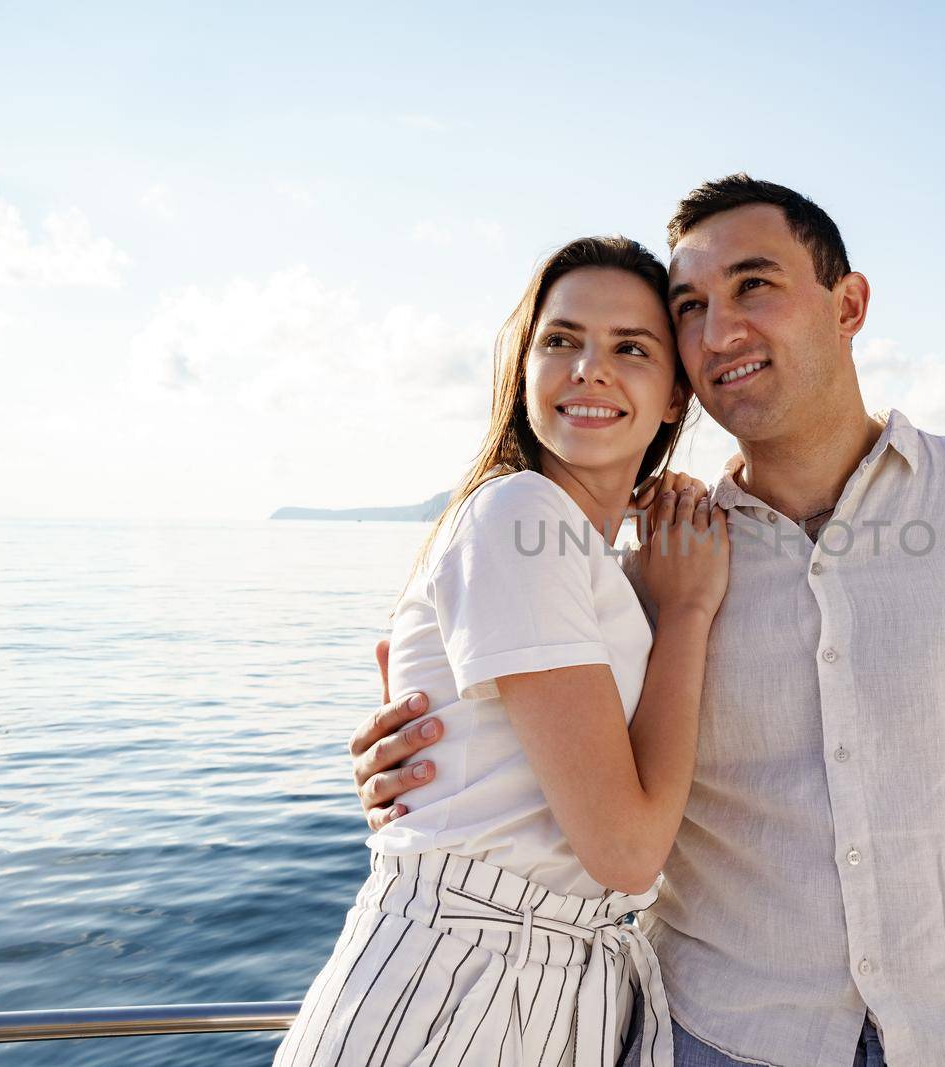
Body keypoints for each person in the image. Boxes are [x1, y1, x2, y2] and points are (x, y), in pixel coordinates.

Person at [355, 177, 945, 1066]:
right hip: (714, 1040)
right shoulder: (653, 562)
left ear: (850, 303)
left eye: (754, 285)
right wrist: (414, 768)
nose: (721, 331)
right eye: (691, 306)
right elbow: (521, 724)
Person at [277, 235, 730, 1067]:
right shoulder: (520, 515)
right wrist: (692, 608)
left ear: (675, 395)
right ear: (523, 367)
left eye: (630, 347)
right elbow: (626, 851)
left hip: (547, 981)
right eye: (561, 340)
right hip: (459, 980)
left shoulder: (586, 553)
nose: (589, 367)